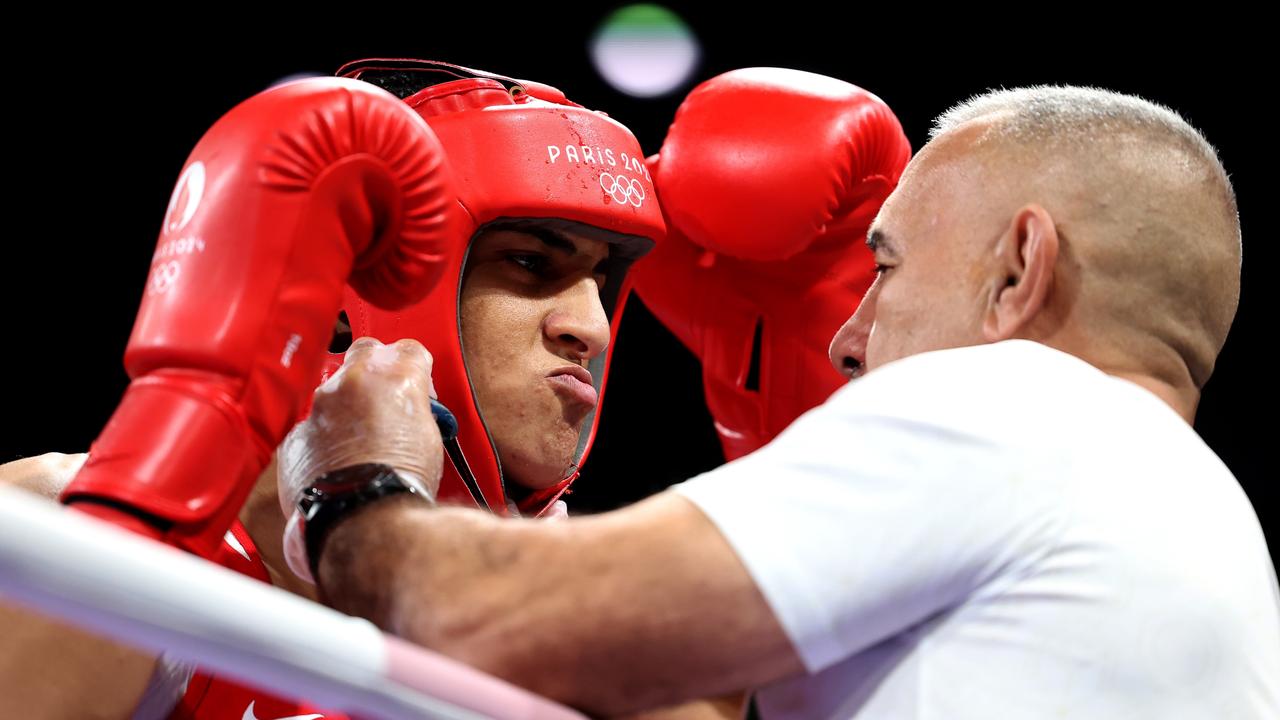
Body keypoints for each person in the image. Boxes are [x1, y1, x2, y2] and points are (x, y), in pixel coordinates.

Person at [281, 85, 1280, 718]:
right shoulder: (1199, 519)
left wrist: (357, 486)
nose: (846, 336)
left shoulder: (1013, 409)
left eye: (880, 268)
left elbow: (510, 622)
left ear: (1018, 268)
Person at [0, 58, 667, 719]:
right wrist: (187, 431)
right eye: (528, 262)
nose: (593, 330)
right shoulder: (34, 520)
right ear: (353, 294)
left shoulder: (613, 619)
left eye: (602, 286)